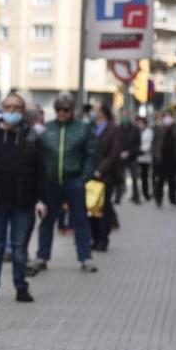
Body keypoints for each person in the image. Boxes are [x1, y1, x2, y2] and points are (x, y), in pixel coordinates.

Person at [0, 93, 47, 303]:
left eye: (16, 108)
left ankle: (21, 287)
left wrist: (41, 200)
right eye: (8, 107)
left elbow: (41, 171)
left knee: (19, 248)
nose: (12, 111)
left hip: (23, 201)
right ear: (2, 109)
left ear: (23, 112)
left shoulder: (31, 136)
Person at [31, 93, 99, 273]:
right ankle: (42, 257)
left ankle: (85, 258)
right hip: (51, 183)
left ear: (72, 110)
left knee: (80, 220)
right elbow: (39, 156)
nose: (61, 113)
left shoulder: (82, 129)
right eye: (58, 109)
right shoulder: (47, 129)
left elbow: (92, 154)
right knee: (47, 220)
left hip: (74, 181)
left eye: (65, 109)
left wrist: (84, 176)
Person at [89, 103, 122, 252]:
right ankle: (94, 238)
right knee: (91, 208)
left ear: (103, 112)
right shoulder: (90, 128)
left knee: (104, 208)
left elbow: (114, 154)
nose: (94, 113)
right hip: (90, 175)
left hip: (106, 176)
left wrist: (100, 170)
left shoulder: (113, 130)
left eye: (96, 110)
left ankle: (103, 239)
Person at [152, 110, 176, 208]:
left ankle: (173, 199)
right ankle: (159, 199)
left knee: (172, 181)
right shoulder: (158, 129)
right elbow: (154, 144)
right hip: (161, 160)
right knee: (160, 181)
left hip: (172, 160)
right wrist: (156, 156)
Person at [116, 110, 141, 205]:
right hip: (120, 157)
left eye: (126, 115)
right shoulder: (118, 128)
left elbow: (137, 144)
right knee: (119, 177)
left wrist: (129, 153)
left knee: (134, 177)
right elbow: (116, 143)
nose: (125, 117)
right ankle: (118, 197)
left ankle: (136, 197)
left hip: (132, 157)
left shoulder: (135, 129)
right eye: (123, 115)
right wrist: (120, 152)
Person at [136, 116, 154, 201]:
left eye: (141, 122)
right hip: (137, 156)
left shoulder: (149, 131)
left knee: (145, 176)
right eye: (138, 122)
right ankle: (137, 194)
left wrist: (142, 150)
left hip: (146, 156)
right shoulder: (136, 131)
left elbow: (149, 143)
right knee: (137, 177)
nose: (140, 124)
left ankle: (146, 193)